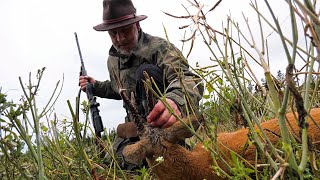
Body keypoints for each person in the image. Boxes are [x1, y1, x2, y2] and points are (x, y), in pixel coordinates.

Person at [79, 0, 203, 170]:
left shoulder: (160, 48)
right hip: (132, 130)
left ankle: (171, 146)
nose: (120, 39)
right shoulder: (113, 60)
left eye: (124, 31)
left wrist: (175, 100)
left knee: (146, 72)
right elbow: (118, 88)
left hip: (164, 128)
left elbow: (188, 79)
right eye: (113, 33)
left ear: (136, 25)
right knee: (113, 165)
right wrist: (96, 86)